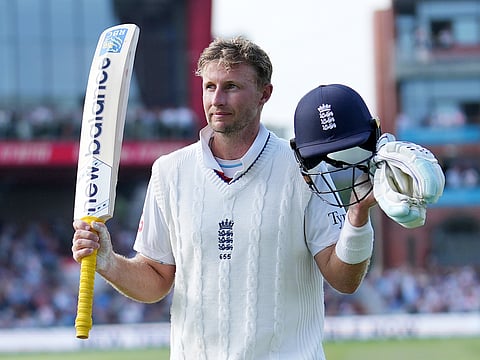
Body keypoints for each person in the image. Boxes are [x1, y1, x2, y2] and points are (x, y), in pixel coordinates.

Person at [72, 37, 378, 359]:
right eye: (209, 86)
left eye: (231, 86)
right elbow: (156, 279)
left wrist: (357, 218)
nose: (217, 99)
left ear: (264, 94)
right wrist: (108, 261)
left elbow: (344, 280)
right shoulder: (169, 172)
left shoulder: (303, 168)